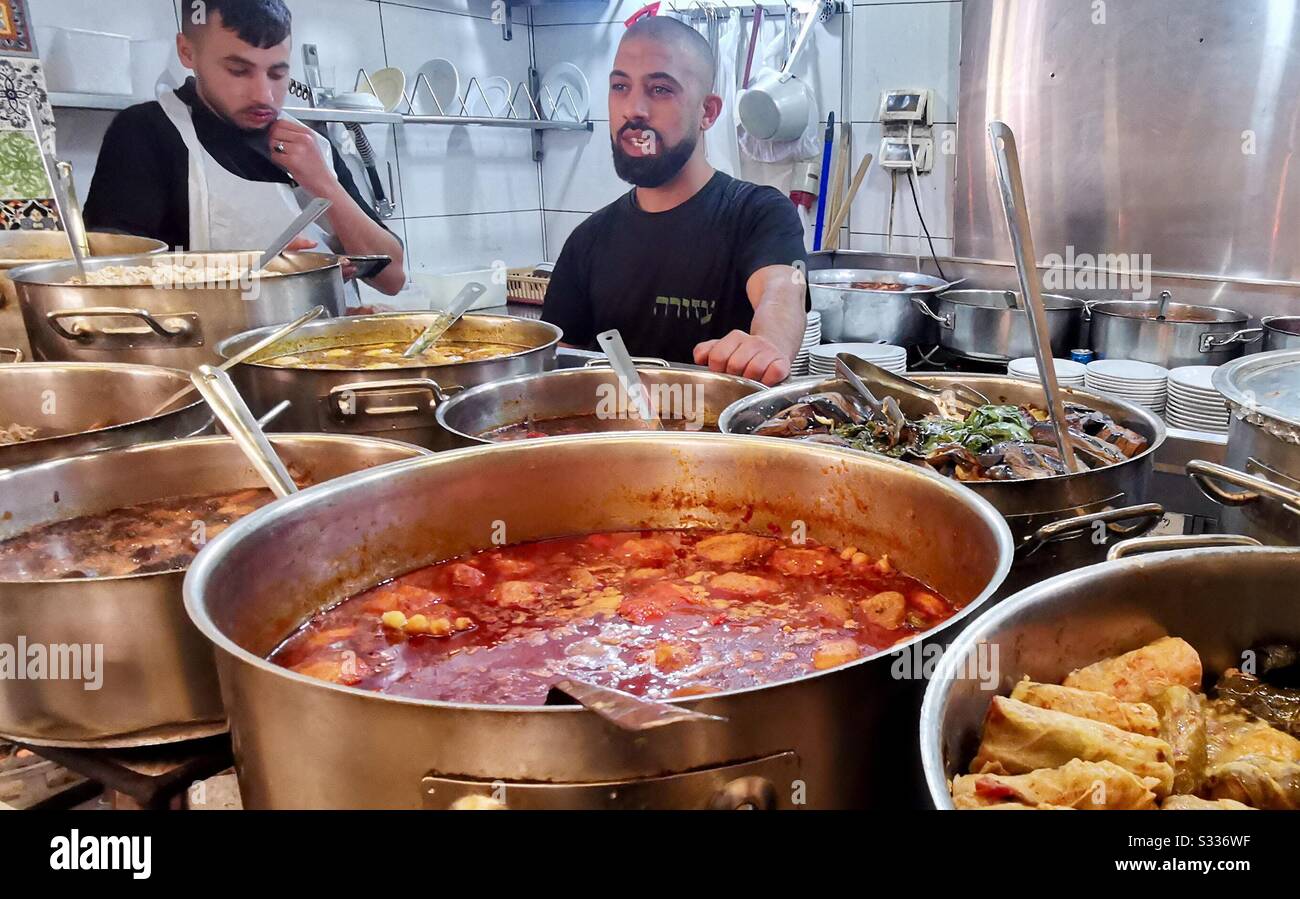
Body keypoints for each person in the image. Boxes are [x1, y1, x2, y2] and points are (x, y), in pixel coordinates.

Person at [541, 16, 807, 385]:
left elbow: (783, 289)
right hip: (613, 437)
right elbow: (557, 372)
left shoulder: (758, 213)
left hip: (729, 438)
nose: (634, 109)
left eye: (660, 90)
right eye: (620, 86)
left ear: (708, 112)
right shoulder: (587, 241)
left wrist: (766, 343)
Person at [83, 0, 405, 295]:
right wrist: (260, 272)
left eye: (278, 74)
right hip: (207, 354)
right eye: (238, 71)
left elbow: (392, 278)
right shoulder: (145, 133)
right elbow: (109, 284)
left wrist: (323, 183)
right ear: (187, 51)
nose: (264, 95)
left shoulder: (310, 144)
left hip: (319, 349)